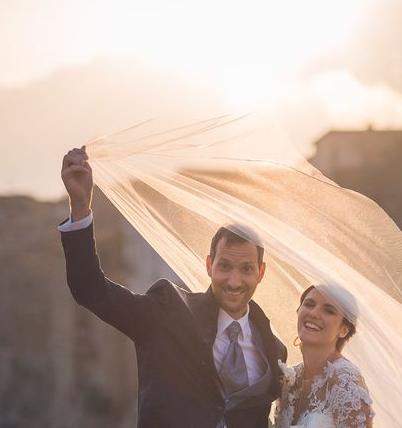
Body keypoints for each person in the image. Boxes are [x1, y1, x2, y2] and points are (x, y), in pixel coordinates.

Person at [59, 146, 287, 428]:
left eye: (246, 269)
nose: (234, 281)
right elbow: (90, 290)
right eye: (225, 266)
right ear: (208, 265)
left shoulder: (274, 350)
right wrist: (80, 208)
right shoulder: (167, 313)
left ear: (261, 273)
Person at [274, 285, 374, 428]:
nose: (314, 313)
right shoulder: (290, 380)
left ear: (344, 330)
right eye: (309, 304)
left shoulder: (345, 382)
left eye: (329, 311)